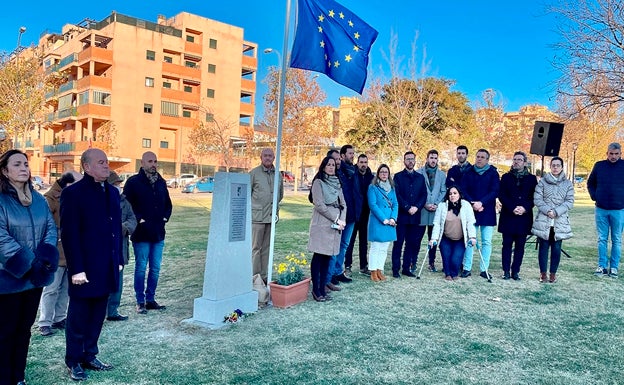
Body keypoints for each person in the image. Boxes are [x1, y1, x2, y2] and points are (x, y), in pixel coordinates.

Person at [61, 148, 121, 381]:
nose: (107, 166)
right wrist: (76, 268)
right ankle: (74, 360)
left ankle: (90, 354)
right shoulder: (73, 194)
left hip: (106, 266)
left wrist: (117, 261)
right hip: (84, 268)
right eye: (101, 162)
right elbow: (70, 234)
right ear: (86, 167)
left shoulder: (113, 193)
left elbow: (115, 230)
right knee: (78, 317)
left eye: (107, 162)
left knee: (97, 315)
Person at [0, 149, 58, 385]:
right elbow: (1, 238)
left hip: (34, 280)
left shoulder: (39, 200)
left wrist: (42, 262)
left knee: (24, 331)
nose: (24, 168)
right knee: (5, 334)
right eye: (17, 164)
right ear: (4, 171)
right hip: (8, 279)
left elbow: (51, 230)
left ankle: (18, 377)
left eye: (25, 163)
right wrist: (28, 263)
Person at [124, 151, 172, 313]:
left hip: (158, 232)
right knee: (141, 267)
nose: (153, 164)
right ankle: (140, 301)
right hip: (141, 233)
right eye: (150, 161)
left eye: (155, 161)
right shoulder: (133, 182)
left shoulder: (161, 182)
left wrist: (165, 217)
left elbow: (168, 204)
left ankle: (151, 298)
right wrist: (139, 219)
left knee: (156, 268)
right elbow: (126, 205)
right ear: (142, 163)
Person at [38, 170, 82, 337]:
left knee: (65, 288)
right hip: (56, 250)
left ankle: (60, 318)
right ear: (68, 184)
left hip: (70, 249)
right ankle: (45, 322)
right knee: (51, 288)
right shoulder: (50, 198)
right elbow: (45, 226)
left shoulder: (73, 196)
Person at [307, 156, 346, 302]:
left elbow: (344, 204)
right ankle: (316, 290)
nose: (331, 167)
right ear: (323, 166)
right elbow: (319, 204)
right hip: (322, 223)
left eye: (333, 165)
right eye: (328, 165)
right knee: (319, 256)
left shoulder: (337, 183)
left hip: (335, 225)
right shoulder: (318, 182)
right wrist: (335, 218)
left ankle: (323, 287)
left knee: (328, 257)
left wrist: (342, 219)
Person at [531, 157, 574, 283]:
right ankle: (543, 273)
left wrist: (556, 212)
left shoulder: (567, 184)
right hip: (544, 219)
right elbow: (537, 199)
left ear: (561, 167)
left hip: (559, 221)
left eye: (558, 165)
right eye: (553, 165)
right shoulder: (543, 182)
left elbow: (569, 201)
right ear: (550, 167)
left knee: (556, 248)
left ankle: (553, 273)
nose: (555, 167)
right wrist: (548, 211)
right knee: (543, 247)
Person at [497, 151, 538, 280]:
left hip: (523, 218)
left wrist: (525, 208)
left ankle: (516, 271)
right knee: (507, 245)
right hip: (509, 216)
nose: (516, 161)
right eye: (514, 159)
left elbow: (534, 197)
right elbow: (502, 195)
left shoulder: (532, 179)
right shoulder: (506, 177)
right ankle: (506, 271)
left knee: (520, 246)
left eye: (519, 159)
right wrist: (512, 207)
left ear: (525, 162)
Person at [460, 149, 500, 279]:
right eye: (478, 156)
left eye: (483, 157)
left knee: (486, 242)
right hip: (471, 211)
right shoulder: (468, 172)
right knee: (470, 240)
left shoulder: (493, 173)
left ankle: (484, 269)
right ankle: (467, 268)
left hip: (487, 211)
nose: (479, 159)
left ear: (487, 160)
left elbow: (495, 191)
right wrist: (473, 203)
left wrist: (481, 203)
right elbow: (463, 190)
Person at [587, 142, 624, 278]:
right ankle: (602, 266)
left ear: (620, 153)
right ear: (607, 153)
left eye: (616, 154)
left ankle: (613, 267)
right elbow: (590, 183)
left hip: (618, 210)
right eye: (611, 154)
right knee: (602, 239)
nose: (613, 156)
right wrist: (594, 196)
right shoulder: (599, 166)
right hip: (601, 209)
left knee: (616, 239)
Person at [326, 145, 360, 287]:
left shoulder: (350, 171)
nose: (337, 162)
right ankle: (330, 274)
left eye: (338, 159)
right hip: (338, 216)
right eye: (335, 159)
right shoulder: (332, 175)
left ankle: (338, 271)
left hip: (351, 214)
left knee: (344, 245)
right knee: (334, 245)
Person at [249, 148, 284, 283]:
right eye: (265, 156)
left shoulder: (278, 175)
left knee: (267, 248)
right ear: (261, 157)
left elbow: (280, 195)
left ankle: (264, 276)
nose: (268, 158)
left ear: (274, 158)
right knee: (255, 248)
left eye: (270, 156)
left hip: (271, 217)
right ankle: (254, 276)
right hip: (257, 218)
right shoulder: (254, 174)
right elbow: (248, 193)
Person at [106, 171, 137, 321]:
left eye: (119, 184)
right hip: (105, 248)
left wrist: (124, 227)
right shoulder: (102, 200)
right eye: (115, 184)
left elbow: (132, 218)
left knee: (118, 282)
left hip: (121, 246)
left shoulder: (125, 201)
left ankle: (113, 311)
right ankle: (100, 311)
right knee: (103, 281)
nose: (118, 186)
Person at [391, 151, 427, 278]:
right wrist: (407, 207)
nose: (410, 161)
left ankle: (406, 268)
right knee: (398, 243)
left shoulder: (420, 177)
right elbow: (397, 195)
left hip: (415, 216)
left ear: (415, 161)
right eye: (408, 159)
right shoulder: (398, 177)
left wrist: (417, 207)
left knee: (411, 243)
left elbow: (424, 195)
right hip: (402, 215)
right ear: (404, 161)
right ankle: (396, 269)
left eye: (412, 159)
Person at [429, 186, 477, 280]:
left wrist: (472, 237)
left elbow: (470, 222)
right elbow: (437, 223)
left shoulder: (466, 205)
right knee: (446, 258)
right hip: (446, 238)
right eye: (450, 194)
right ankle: (448, 274)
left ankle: (454, 273)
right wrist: (434, 238)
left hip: (460, 239)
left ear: (459, 194)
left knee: (455, 260)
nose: (452, 195)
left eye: (455, 193)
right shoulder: (442, 206)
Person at [415, 149, 447, 272]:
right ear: (427, 159)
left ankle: (431, 262)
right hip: (422, 210)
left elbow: (443, 191)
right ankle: (414, 261)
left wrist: (436, 204)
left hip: (435, 211)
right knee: (417, 239)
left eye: (435, 158)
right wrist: (425, 204)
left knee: (433, 238)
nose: (433, 160)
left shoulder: (441, 175)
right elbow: (417, 192)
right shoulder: (419, 173)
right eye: (431, 158)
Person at [367, 164, 398, 282]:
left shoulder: (392, 188)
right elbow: (373, 205)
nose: (384, 174)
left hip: (390, 222)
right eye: (382, 172)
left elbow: (395, 204)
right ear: (378, 174)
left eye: (386, 172)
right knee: (375, 247)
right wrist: (384, 219)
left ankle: (380, 269)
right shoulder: (373, 187)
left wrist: (393, 218)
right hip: (378, 221)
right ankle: (373, 270)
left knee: (385, 248)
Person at [345, 154, 374, 276]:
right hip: (354, 212)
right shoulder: (352, 175)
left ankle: (363, 266)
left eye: (365, 162)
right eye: (361, 162)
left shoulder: (371, 177)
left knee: (363, 241)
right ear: (357, 163)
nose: (363, 164)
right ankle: (347, 265)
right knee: (350, 241)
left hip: (365, 214)